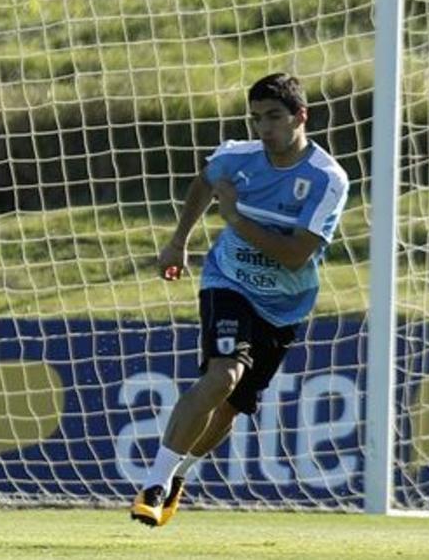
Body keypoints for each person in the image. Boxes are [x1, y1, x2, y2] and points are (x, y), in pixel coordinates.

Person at [130, 72, 349, 527]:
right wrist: (178, 241)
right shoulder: (238, 157)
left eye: (274, 117)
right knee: (223, 376)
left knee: (231, 407)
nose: (264, 129)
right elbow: (204, 180)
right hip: (228, 280)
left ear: (300, 117)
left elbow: (294, 256)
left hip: (286, 304)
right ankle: (154, 483)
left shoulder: (327, 179)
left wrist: (232, 216)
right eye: (256, 119)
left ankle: (179, 475)